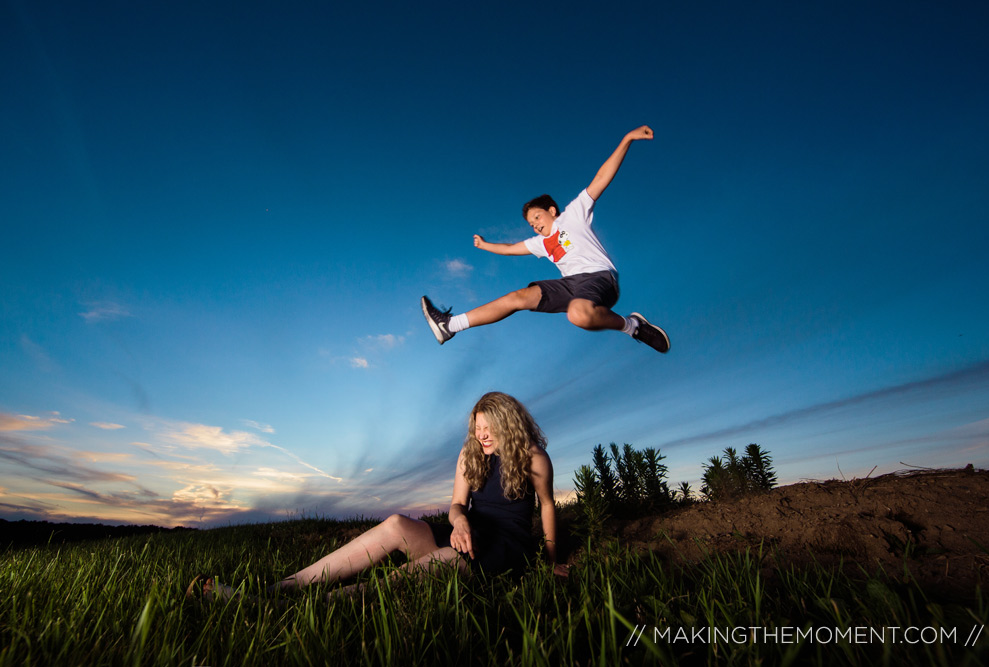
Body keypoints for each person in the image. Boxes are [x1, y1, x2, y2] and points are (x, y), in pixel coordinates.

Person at [188, 392, 567, 602]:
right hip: (468, 532)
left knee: (438, 564)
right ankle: (282, 589)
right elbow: (455, 505)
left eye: (488, 428)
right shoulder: (469, 455)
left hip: (504, 546)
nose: (482, 435)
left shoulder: (534, 458)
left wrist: (551, 561)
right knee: (395, 524)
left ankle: (299, 608)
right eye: (477, 428)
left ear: (507, 423)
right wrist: (460, 519)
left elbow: (547, 507)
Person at [421, 125, 670, 354]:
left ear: (552, 210)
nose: (536, 225)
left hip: (599, 277)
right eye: (531, 224)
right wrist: (485, 245)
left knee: (578, 316)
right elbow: (509, 249)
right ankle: (450, 325)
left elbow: (601, 178)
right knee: (517, 298)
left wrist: (627, 139)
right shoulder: (539, 243)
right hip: (569, 285)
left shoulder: (573, 214)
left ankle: (632, 325)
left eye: (538, 217)